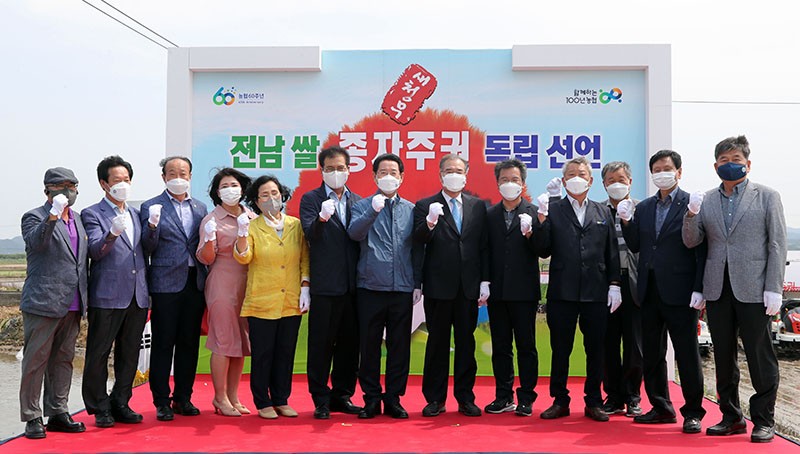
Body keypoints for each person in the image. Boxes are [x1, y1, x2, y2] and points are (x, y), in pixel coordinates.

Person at [682, 135, 786, 443]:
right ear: (715, 166)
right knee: (724, 358)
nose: (730, 165)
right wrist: (691, 214)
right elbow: (692, 241)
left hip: (755, 289)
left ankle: (764, 420)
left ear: (748, 164)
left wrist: (774, 287)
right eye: (724, 160)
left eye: (736, 160)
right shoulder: (707, 199)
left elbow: (777, 244)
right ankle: (731, 416)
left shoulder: (767, 196)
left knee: (759, 356)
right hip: (718, 289)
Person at [617, 149, 706, 434]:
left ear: (678, 172)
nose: (661, 173)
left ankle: (693, 412)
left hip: (681, 291)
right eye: (656, 170)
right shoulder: (644, 207)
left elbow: (700, 249)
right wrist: (626, 222)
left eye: (666, 168)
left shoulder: (691, 204)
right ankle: (661, 407)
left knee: (686, 353)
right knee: (653, 354)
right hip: (649, 289)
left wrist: (699, 288)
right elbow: (635, 245)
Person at [534, 156, 621, 423]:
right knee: (561, 349)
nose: (576, 178)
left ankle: (593, 401)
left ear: (590, 180)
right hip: (563, 291)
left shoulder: (602, 211)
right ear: (563, 181)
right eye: (571, 174)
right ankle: (560, 400)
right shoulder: (554, 209)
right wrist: (541, 220)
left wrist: (615, 284)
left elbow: (612, 252)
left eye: (581, 174)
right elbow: (543, 249)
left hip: (596, 291)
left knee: (595, 350)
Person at [413, 153, 489, 417]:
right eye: (448, 171)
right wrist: (430, 222)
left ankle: (465, 398)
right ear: (440, 175)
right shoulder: (425, 205)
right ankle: (435, 399)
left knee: (466, 344)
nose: (453, 175)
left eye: (458, 171)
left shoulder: (477, 206)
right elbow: (418, 240)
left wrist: (485, 280)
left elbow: (483, 246)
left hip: (468, 287)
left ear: (466, 174)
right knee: (437, 344)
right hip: (438, 286)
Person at [347, 153, 422, 419]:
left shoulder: (411, 209)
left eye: (393, 173)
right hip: (370, 287)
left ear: (401, 177)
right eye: (383, 172)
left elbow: (417, 249)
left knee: (399, 347)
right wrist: (373, 210)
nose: (388, 177)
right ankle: (371, 399)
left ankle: (393, 398)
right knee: (369, 347)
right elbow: (354, 233)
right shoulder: (361, 205)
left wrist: (417, 283)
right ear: (374, 176)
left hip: (402, 288)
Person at [81, 155, 151, 428]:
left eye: (127, 179)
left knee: (129, 352)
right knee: (99, 353)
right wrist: (111, 233)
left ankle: (121, 401)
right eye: (117, 180)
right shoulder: (92, 213)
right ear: (104, 183)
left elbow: (144, 249)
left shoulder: (136, 213)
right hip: (107, 294)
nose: (123, 184)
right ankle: (99, 406)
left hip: (137, 294)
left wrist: (153, 228)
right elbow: (95, 251)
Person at [19, 167, 88, 439]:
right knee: (35, 361)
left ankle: (58, 411)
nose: (68, 190)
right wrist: (52, 217)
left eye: (73, 185)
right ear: (48, 189)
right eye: (62, 185)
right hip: (43, 301)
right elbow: (37, 243)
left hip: (73, 301)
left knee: (63, 359)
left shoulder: (79, 219)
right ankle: (32, 416)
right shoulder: (34, 216)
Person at [234, 175, 310, 420]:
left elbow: (304, 258)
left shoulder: (295, 225)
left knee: (285, 353)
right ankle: (262, 401)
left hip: (291, 300)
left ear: (282, 195)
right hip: (262, 301)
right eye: (264, 195)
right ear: (256, 201)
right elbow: (244, 257)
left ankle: (281, 399)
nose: (271, 199)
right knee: (263, 354)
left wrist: (305, 286)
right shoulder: (252, 226)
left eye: (274, 193)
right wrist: (242, 234)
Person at [140, 156, 208, 421]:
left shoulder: (200, 207)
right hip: (165, 283)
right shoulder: (151, 206)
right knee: (163, 343)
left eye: (183, 172)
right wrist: (152, 226)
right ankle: (161, 401)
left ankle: (183, 398)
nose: (178, 177)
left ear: (190, 176)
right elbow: (147, 247)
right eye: (172, 173)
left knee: (189, 344)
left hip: (194, 282)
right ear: (164, 177)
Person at [299, 146, 362, 419]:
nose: (335, 173)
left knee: (350, 345)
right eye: (330, 168)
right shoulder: (311, 199)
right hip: (325, 286)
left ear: (349, 169)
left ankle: (342, 396)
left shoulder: (358, 201)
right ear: (322, 170)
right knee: (321, 345)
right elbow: (309, 234)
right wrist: (322, 218)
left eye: (340, 168)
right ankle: (320, 399)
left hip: (354, 287)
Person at [483, 159, 544, 417]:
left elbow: (543, 249)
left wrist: (531, 233)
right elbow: (484, 251)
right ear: (498, 183)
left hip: (524, 292)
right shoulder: (489, 215)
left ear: (523, 183)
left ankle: (526, 397)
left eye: (515, 180)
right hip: (497, 292)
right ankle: (503, 395)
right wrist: (484, 281)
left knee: (526, 346)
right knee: (501, 346)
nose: (510, 184)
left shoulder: (534, 212)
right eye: (505, 180)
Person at [196, 168, 255, 417]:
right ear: (217, 192)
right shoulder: (212, 220)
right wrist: (210, 239)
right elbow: (206, 258)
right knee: (223, 341)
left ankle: (233, 396)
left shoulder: (252, 216)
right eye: (225, 186)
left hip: (248, 284)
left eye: (234, 185)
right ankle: (219, 398)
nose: (231, 190)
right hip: (222, 281)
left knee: (240, 342)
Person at [599, 161, 643, 418]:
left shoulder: (642, 209)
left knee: (635, 344)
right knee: (608, 342)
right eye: (611, 180)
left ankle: (633, 396)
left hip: (634, 283)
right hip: (606, 285)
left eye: (621, 179)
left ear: (630, 182)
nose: (616, 184)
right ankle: (613, 396)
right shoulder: (597, 211)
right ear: (604, 184)